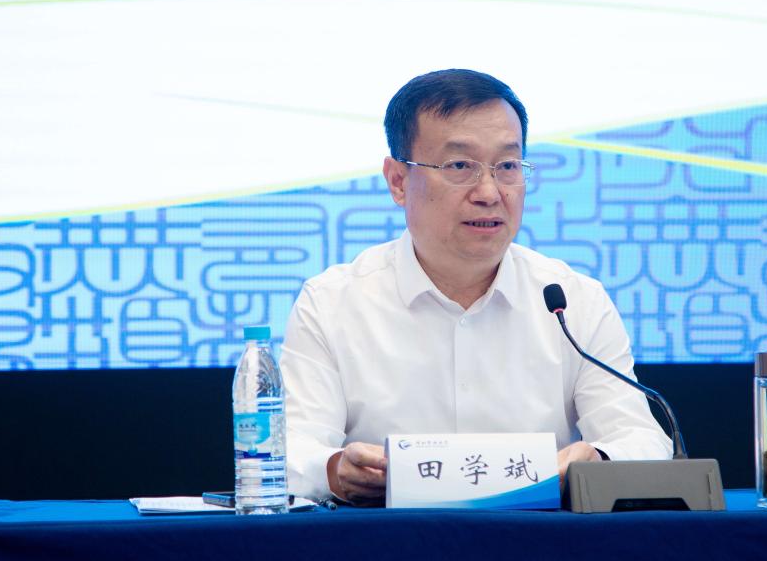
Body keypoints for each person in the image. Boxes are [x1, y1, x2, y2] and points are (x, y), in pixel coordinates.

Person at [281, 68, 671, 505]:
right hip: (387, 537)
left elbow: (643, 441)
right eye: (460, 166)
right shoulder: (333, 302)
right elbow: (289, 452)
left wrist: (598, 459)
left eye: (507, 166)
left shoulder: (573, 300)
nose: (489, 192)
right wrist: (335, 470)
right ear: (397, 181)